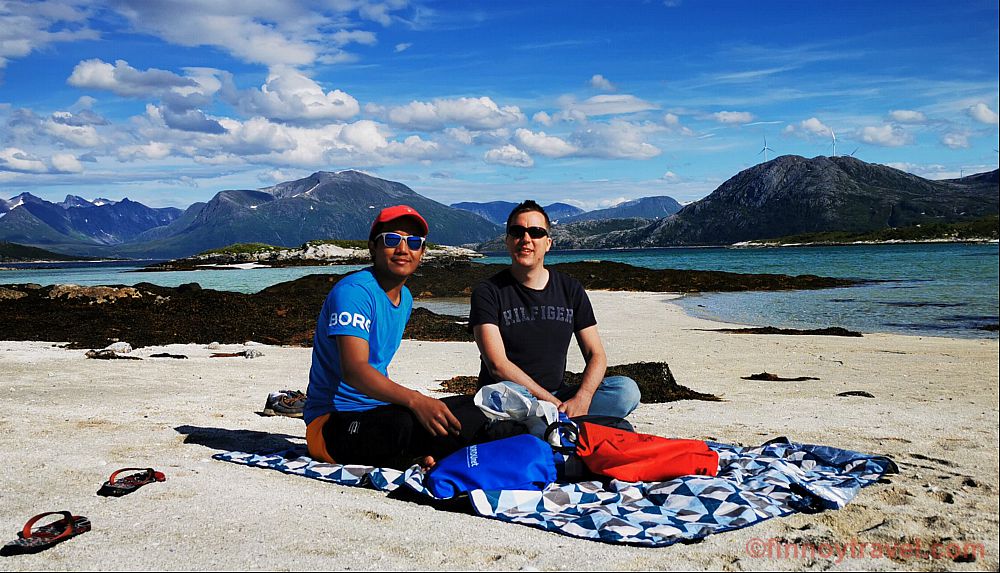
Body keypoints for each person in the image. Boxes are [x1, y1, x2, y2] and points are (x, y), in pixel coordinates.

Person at [304, 205, 486, 469]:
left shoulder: (406, 298)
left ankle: (427, 454)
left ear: (422, 253)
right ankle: (430, 455)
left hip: (379, 412)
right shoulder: (355, 292)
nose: (403, 249)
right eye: (392, 239)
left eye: (413, 242)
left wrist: (422, 405)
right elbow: (354, 371)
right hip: (331, 424)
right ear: (373, 247)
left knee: (473, 407)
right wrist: (415, 400)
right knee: (408, 424)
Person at [469, 200, 641, 419]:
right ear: (508, 241)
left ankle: (551, 423)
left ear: (548, 243)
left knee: (626, 391)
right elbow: (497, 365)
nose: (526, 239)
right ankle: (557, 422)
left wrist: (583, 397)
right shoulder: (488, 292)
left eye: (536, 232)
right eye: (517, 232)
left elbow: (596, 354)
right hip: (511, 396)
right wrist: (553, 404)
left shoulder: (570, 289)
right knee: (509, 398)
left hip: (558, 394)